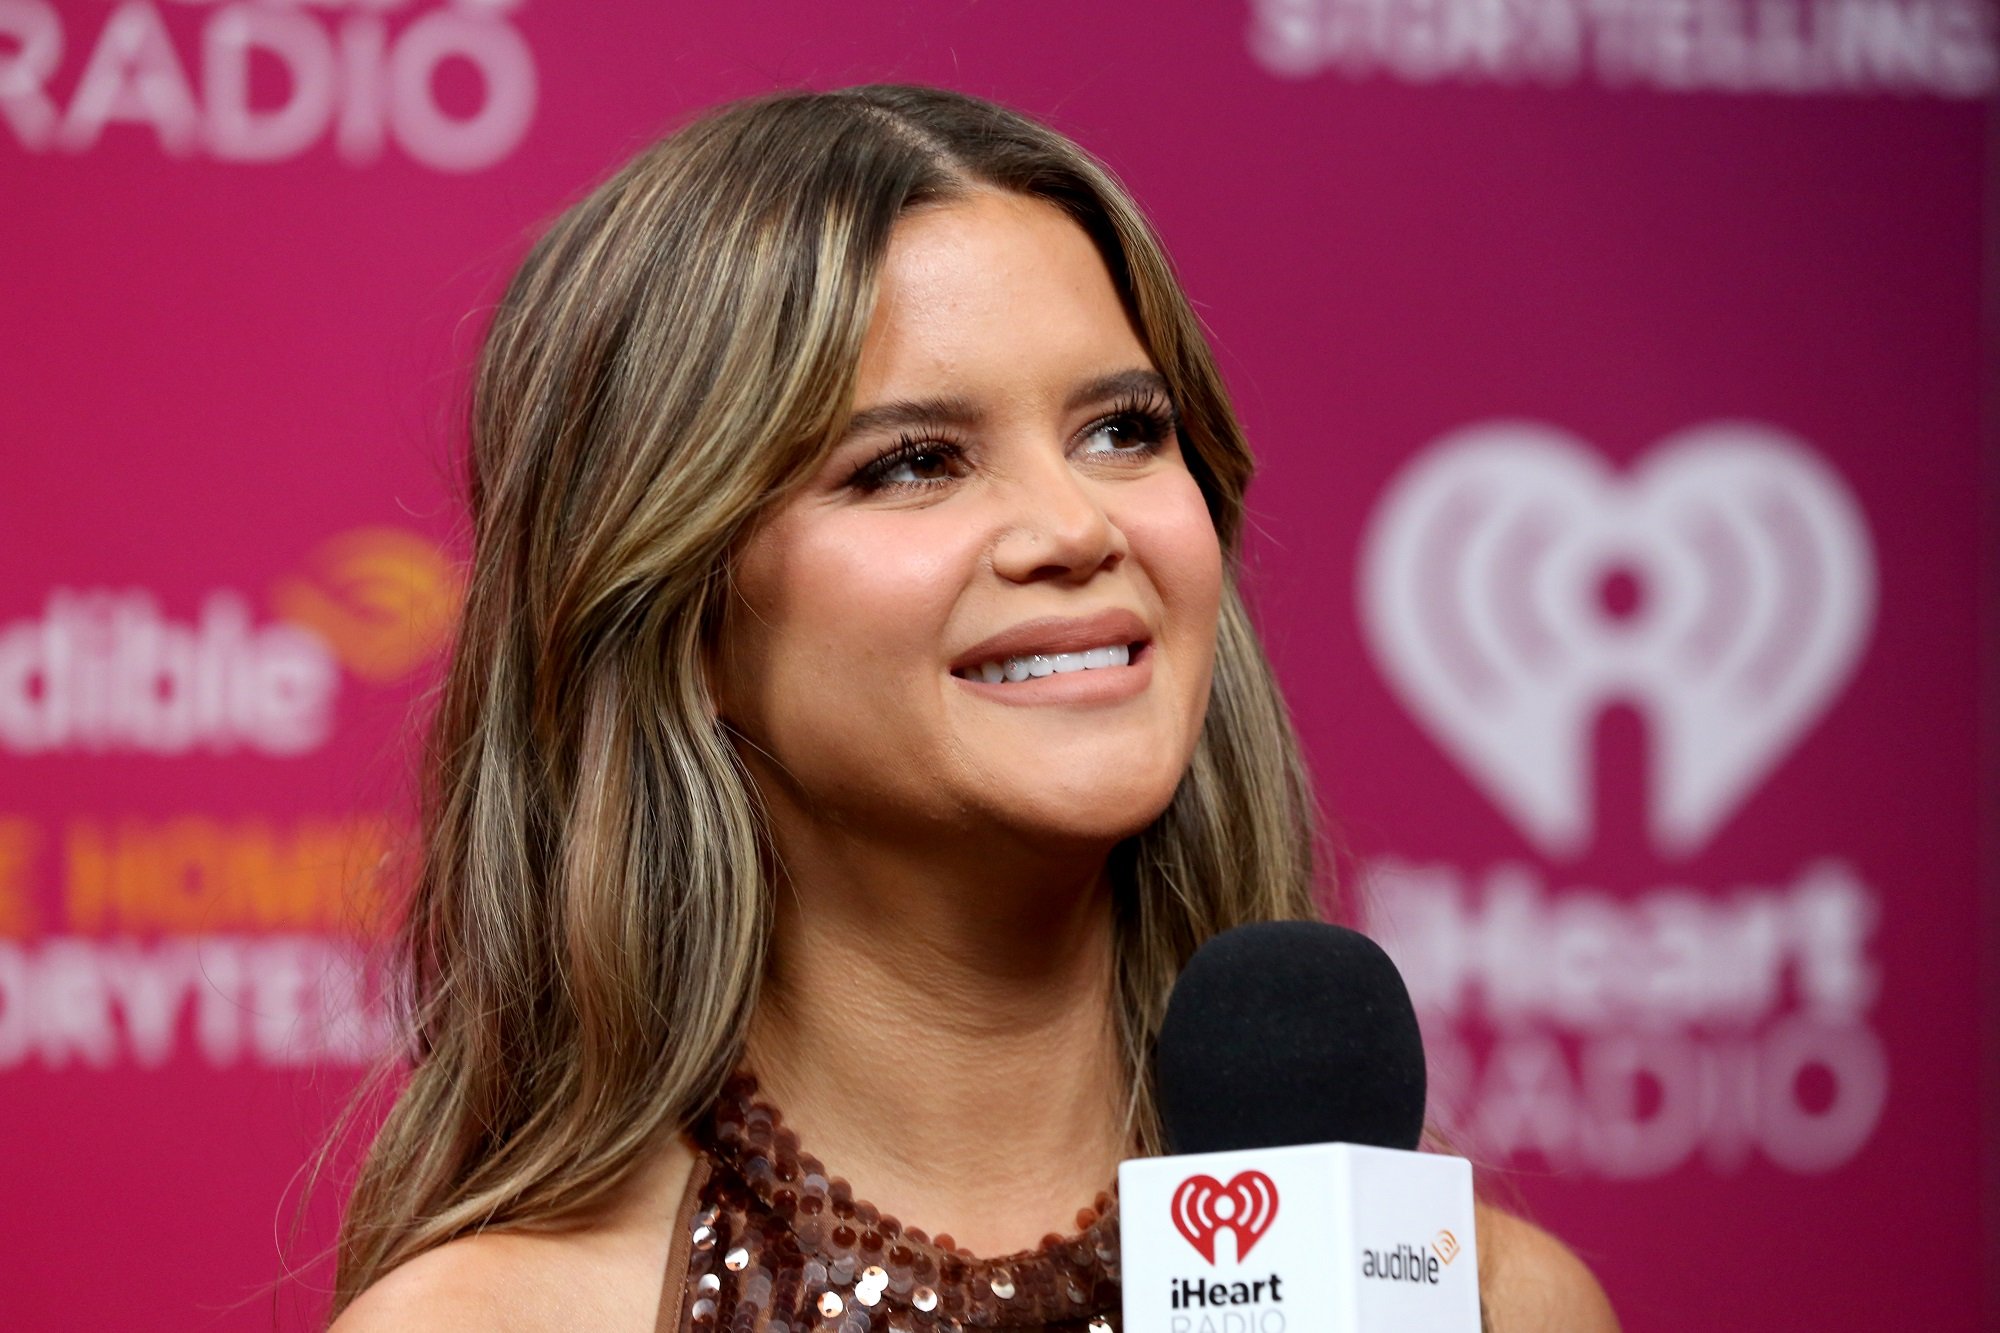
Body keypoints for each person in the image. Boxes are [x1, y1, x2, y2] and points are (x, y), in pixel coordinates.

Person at [328, 83, 1618, 1332]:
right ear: (681, 612)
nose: (1074, 527)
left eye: (1123, 430)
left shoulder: (1491, 1308)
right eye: (911, 462)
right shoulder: (499, 1322)